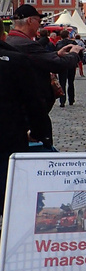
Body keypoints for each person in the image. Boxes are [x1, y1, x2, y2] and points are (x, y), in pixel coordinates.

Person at [6, 5, 80, 144]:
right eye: (38, 22)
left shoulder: (11, 41)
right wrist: (74, 53)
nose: (39, 27)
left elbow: (36, 58)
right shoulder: (26, 44)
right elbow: (58, 65)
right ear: (30, 21)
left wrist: (55, 54)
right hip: (30, 111)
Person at [0, 30, 51, 211]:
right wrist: (38, 132)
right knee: (9, 193)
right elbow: (34, 102)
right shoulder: (17, 61)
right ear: (3, 36)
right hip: (9, 137)